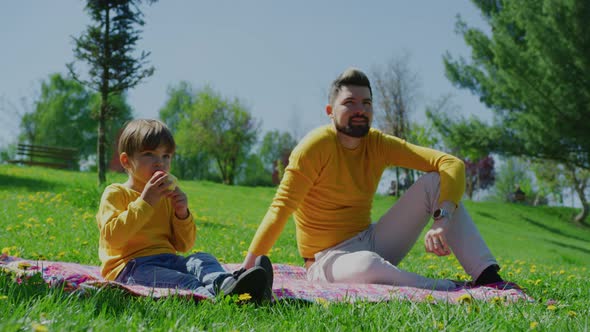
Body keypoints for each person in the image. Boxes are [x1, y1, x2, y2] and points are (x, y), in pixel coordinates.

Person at [241, 68, 503, 290]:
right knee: (367, 264)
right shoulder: (314, 147)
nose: (360, 110)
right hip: (326, 259)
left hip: (372, 240)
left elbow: (450, 164)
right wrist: (246, 268)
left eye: (366, 103)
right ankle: (445, 288)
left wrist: (442, 219)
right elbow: (281, 208)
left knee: (435, 182)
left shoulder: (377, 143)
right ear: (330, 110)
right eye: (350, 103)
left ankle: (489, 278)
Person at [96, 119, 273, 301]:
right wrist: (145, 202)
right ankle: (220, 302)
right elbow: (112, 238)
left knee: (202, 260)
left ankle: (230, 285)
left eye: (166, 156)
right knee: (186, 281)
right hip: (131, 267)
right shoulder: (116, 193)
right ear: (126, 161)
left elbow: (184, 245)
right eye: (149, 154)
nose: (160, 163)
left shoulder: (166, 196)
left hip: (168, 260)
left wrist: (182, 214)